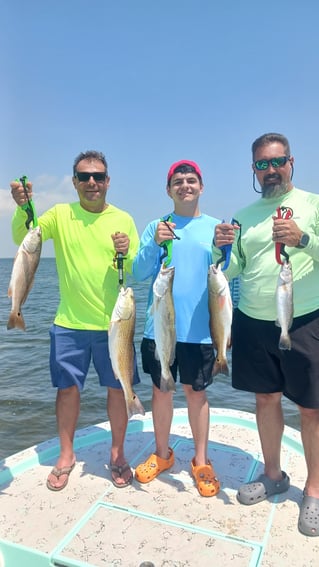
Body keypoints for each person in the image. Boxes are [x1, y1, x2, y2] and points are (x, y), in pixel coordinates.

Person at [10, 150, 140, 491]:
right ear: (74, 182)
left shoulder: (124, 219)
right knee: (67, 390)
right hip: (69, 323)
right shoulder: (59, 215)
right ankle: (66, 454)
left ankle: (117, 454)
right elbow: (24, 238)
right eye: (84, 177)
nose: (92, 182)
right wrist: (23, 207)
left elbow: (137, 267)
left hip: (115, 324)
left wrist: (126, 251)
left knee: (118, 389)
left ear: (108, 181)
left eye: (98, 176)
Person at [213, 133, 319, 536]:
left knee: (311, 408)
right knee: (265, 399)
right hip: (252, 320)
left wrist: (303, 239)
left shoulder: (313, 204)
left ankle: (315, 489)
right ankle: (274, 474)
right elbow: (235, 268)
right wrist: (220, 251)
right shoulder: (242, 215)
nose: (270, 170)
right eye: (262, 164)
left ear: (292, 161)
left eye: (277, 161)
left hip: (304, 319)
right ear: (253, 169)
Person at [132, 160, 221, 497]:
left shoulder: (215, 227)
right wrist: (154, 242)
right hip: (160, 329)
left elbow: (227, 275)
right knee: (161, 391)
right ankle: (163, 453)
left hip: (199, 331)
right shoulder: (157, 225)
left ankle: (200, 461)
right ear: (168, 190)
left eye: (191, 180)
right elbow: (140, 273)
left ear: (201, 186)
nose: (185, 185)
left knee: (197, 395)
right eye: (178, 181)